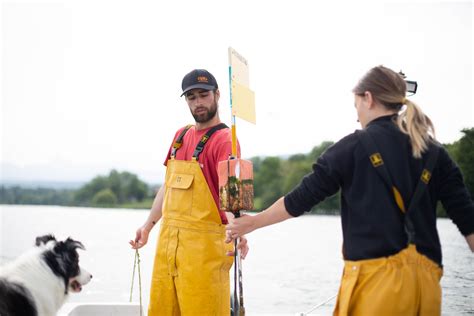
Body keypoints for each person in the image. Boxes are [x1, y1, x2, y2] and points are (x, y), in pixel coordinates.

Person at [226, 65, 474, 316]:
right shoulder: (436, 153)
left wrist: (253, 222)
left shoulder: (352, 148)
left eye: (356, 104)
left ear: (368, 98)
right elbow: (468, 221)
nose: (357, 115)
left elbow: (300, 199)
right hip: (427, 289)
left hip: (374, 287)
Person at [130, 69, 249, 316]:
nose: (198, 102)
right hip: (168, 250)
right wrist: (148, 226)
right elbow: (168, 186)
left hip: (204, 254)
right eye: (191, 97)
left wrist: (240, 233)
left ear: (217, 94)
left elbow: (233, 198)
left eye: (203, 95)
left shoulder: (227, 140)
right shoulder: (180, 136)